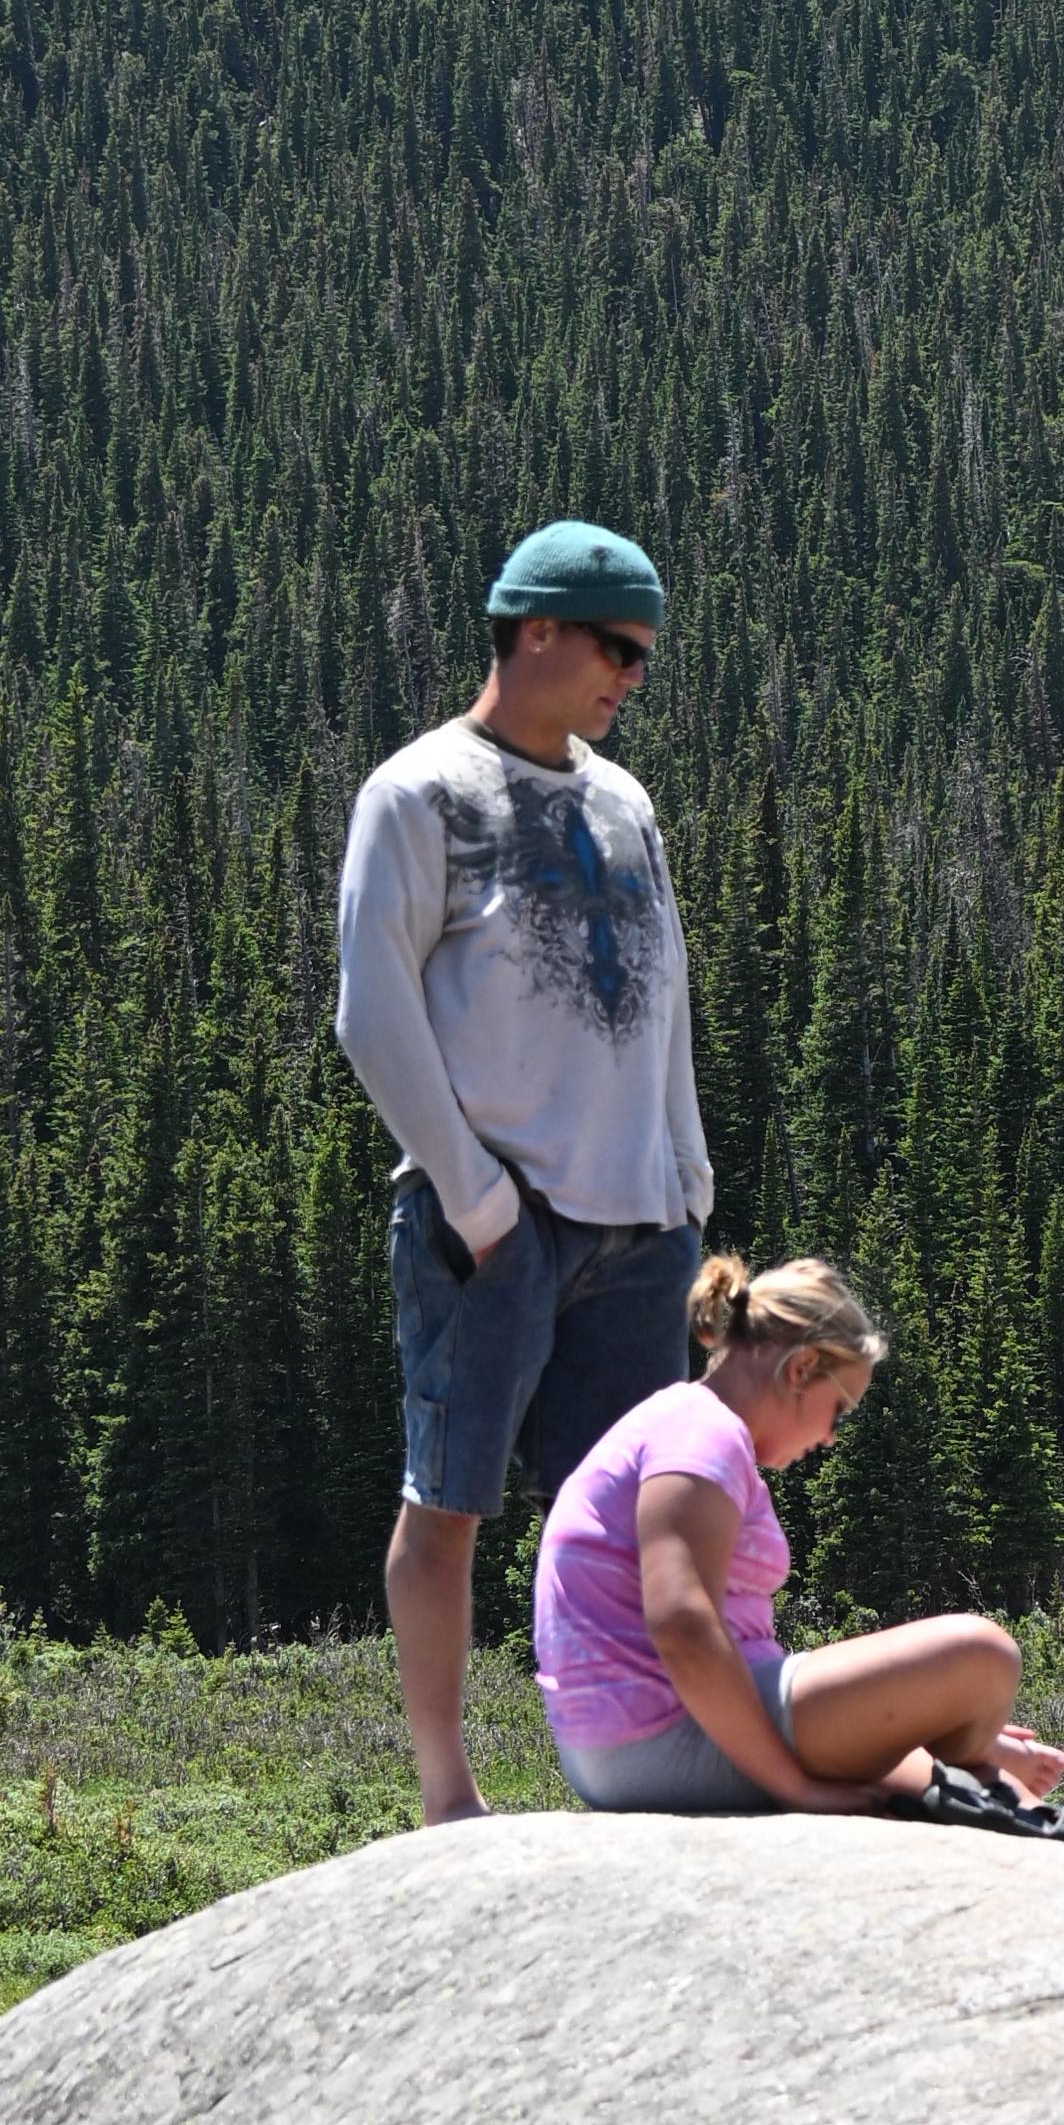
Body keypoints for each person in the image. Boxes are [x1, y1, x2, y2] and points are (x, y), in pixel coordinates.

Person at [336, 520, 712, 1825]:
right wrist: (475, 1197)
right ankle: (445, 1791)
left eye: (645, 654)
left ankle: (623, 1770)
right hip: (492, 1220)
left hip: (639, 1221)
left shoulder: (626, 801)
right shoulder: (417, 791)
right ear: (534, 628)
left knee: (623, 1520)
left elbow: (664, 994)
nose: (633, 676)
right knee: (449, 1499)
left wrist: (688, 1175)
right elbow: (370, 1011)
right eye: (616, 646)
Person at [534, 1252, 1064, 1818]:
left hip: (632, 1743)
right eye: (838, 1411)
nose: (830, 1438)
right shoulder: (703, 1431)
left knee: (1000, 1795)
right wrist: (792, 1786)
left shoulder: (686, 1422)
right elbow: (681, 1623)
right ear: (801, 1368)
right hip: (666, 1738)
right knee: (983, 1653)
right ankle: (965, 1748)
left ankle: (972, 1753)